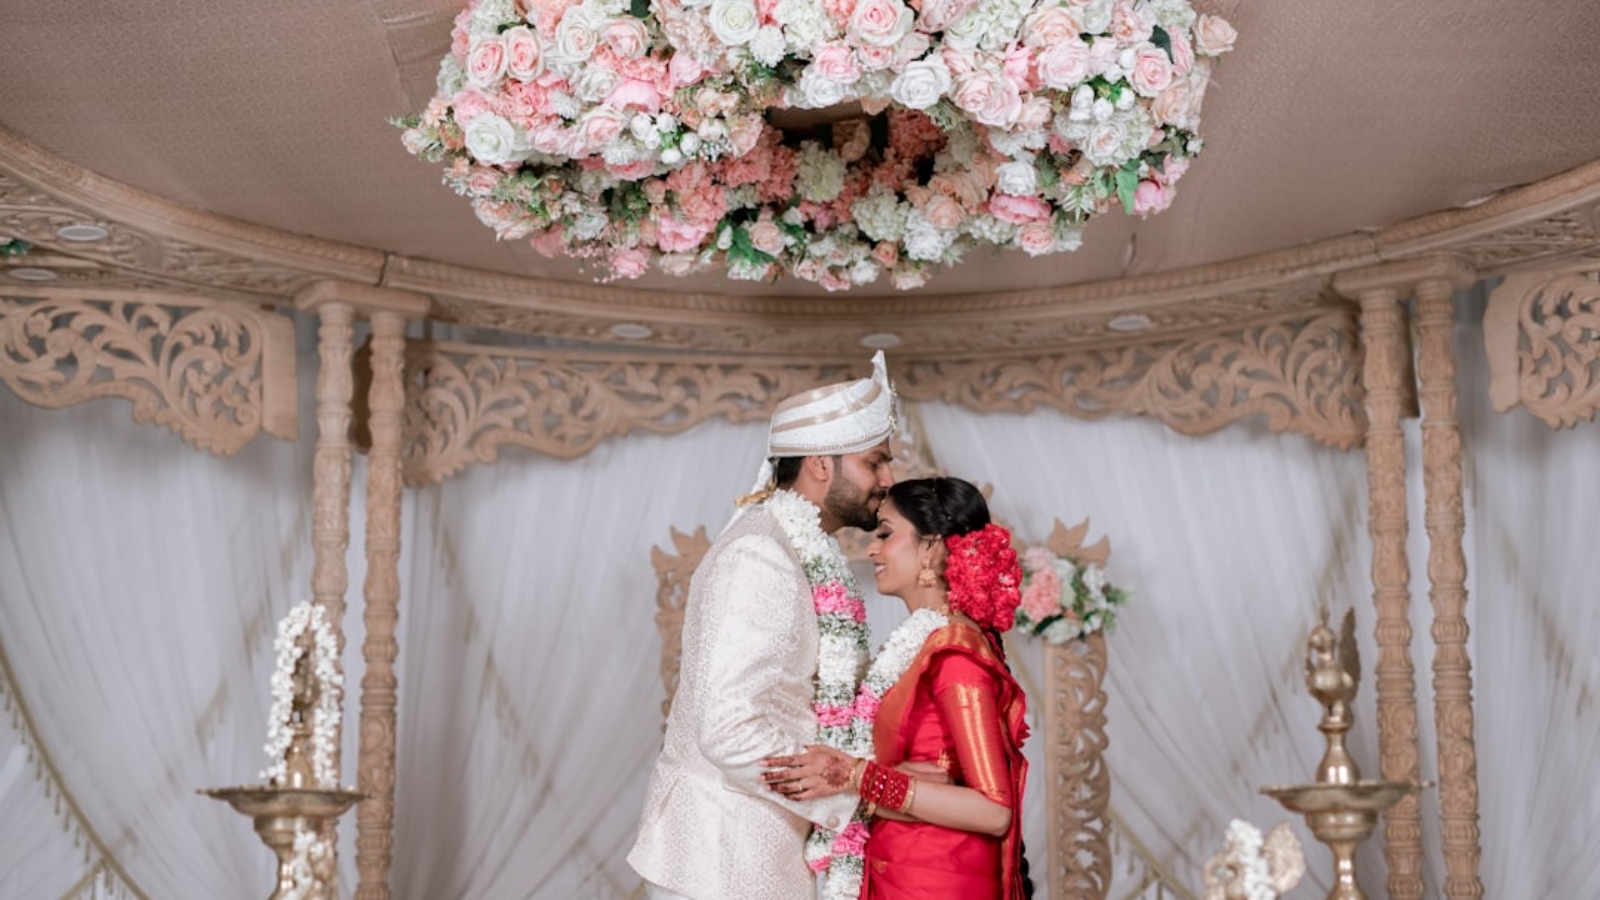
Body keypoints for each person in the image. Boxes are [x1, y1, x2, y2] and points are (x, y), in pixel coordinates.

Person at [627, 351, 898, 900]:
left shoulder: (795, 548)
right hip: (723, 857)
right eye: (876, 462)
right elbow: (730, 727)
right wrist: (856, 796)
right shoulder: (761, 554)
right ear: (821, 463)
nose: (888, 479)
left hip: (755, 849)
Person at [761, 477, 1030, 900]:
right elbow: (904, 786)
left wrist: (857, 776)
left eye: (885, 534)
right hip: (903, 870)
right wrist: (869, 785)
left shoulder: (955, 655)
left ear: (931, 547)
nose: (872, 549)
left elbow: (994, 810)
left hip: (937, 880)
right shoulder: (923, 648)